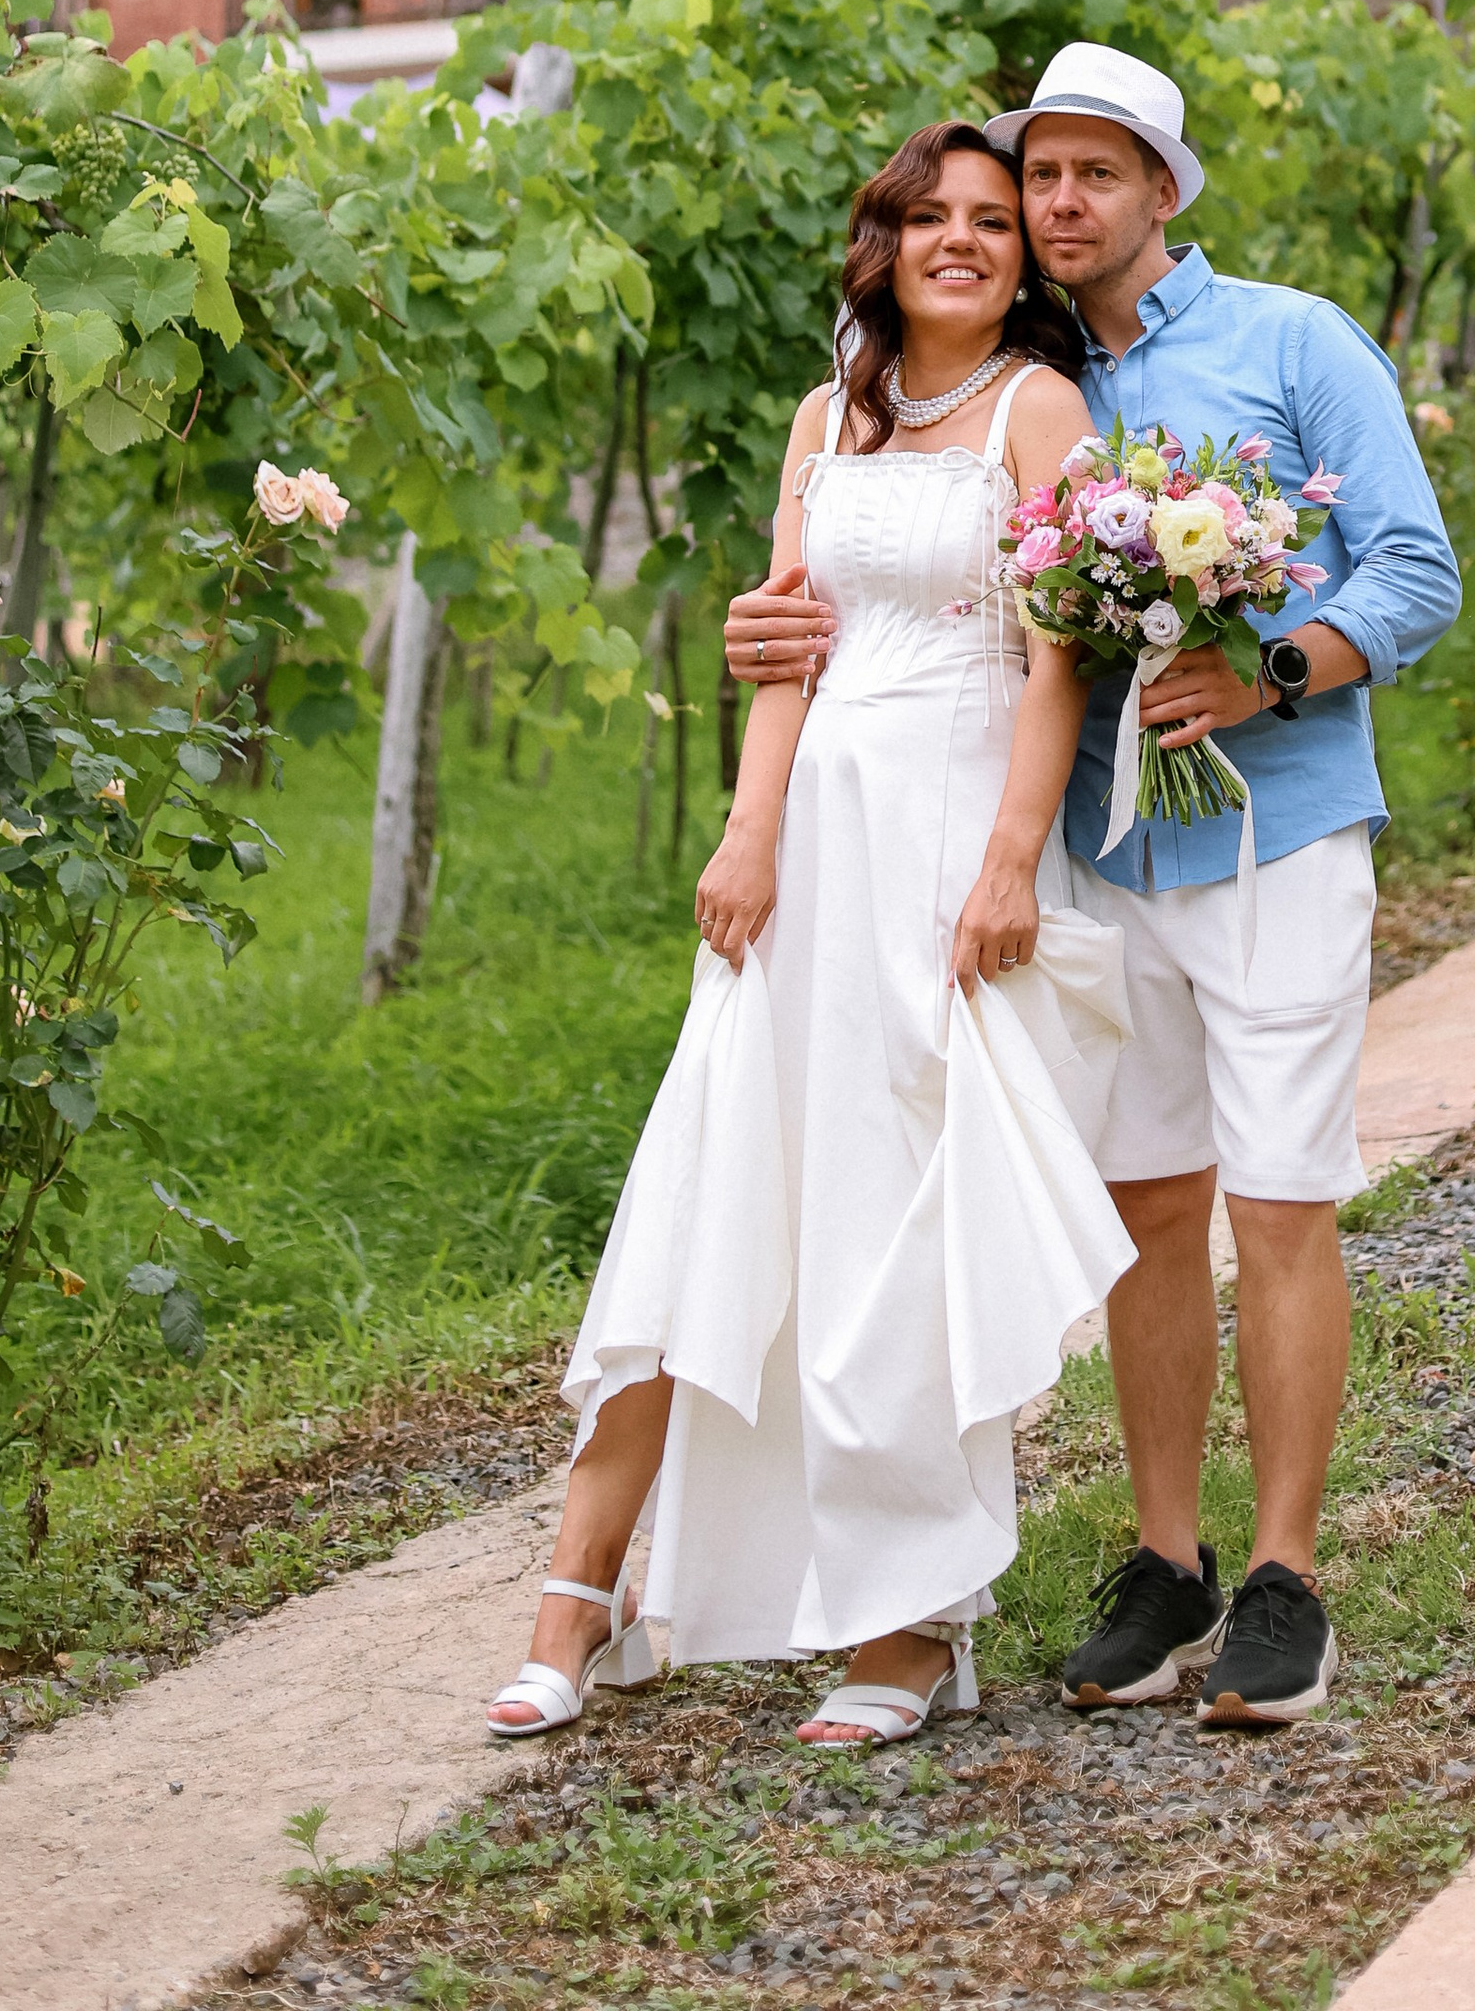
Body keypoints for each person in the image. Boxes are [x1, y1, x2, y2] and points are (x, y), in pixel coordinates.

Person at [727, 41, 1461, 1727]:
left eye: (1092, 175)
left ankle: (1284, 1578)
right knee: (1143, 1207)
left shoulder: (1291, 340)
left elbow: (1416, 567)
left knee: (1279, 1197)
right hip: (1097, 855)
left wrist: (1273, 667)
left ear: (1162, 190)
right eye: (1038, 174)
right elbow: (886, 578)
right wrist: (773, 629)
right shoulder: (1012, 375)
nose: (1059, 203)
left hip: (1271, 833)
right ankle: (1167, 1559)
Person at [489, 123, 1132, 1750]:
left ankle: (913, 1616)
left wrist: (1008, 868)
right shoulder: (821, 419)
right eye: (936, 218)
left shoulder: (1041, 414)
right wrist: (744, 829)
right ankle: (583, 1590)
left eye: (996, 222)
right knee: (715, 1186)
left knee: (893, 1229)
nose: (969, 242)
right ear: (887, 240)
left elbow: (1057, 668)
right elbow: (791, 646)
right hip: (809, 855)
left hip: (941, 865)